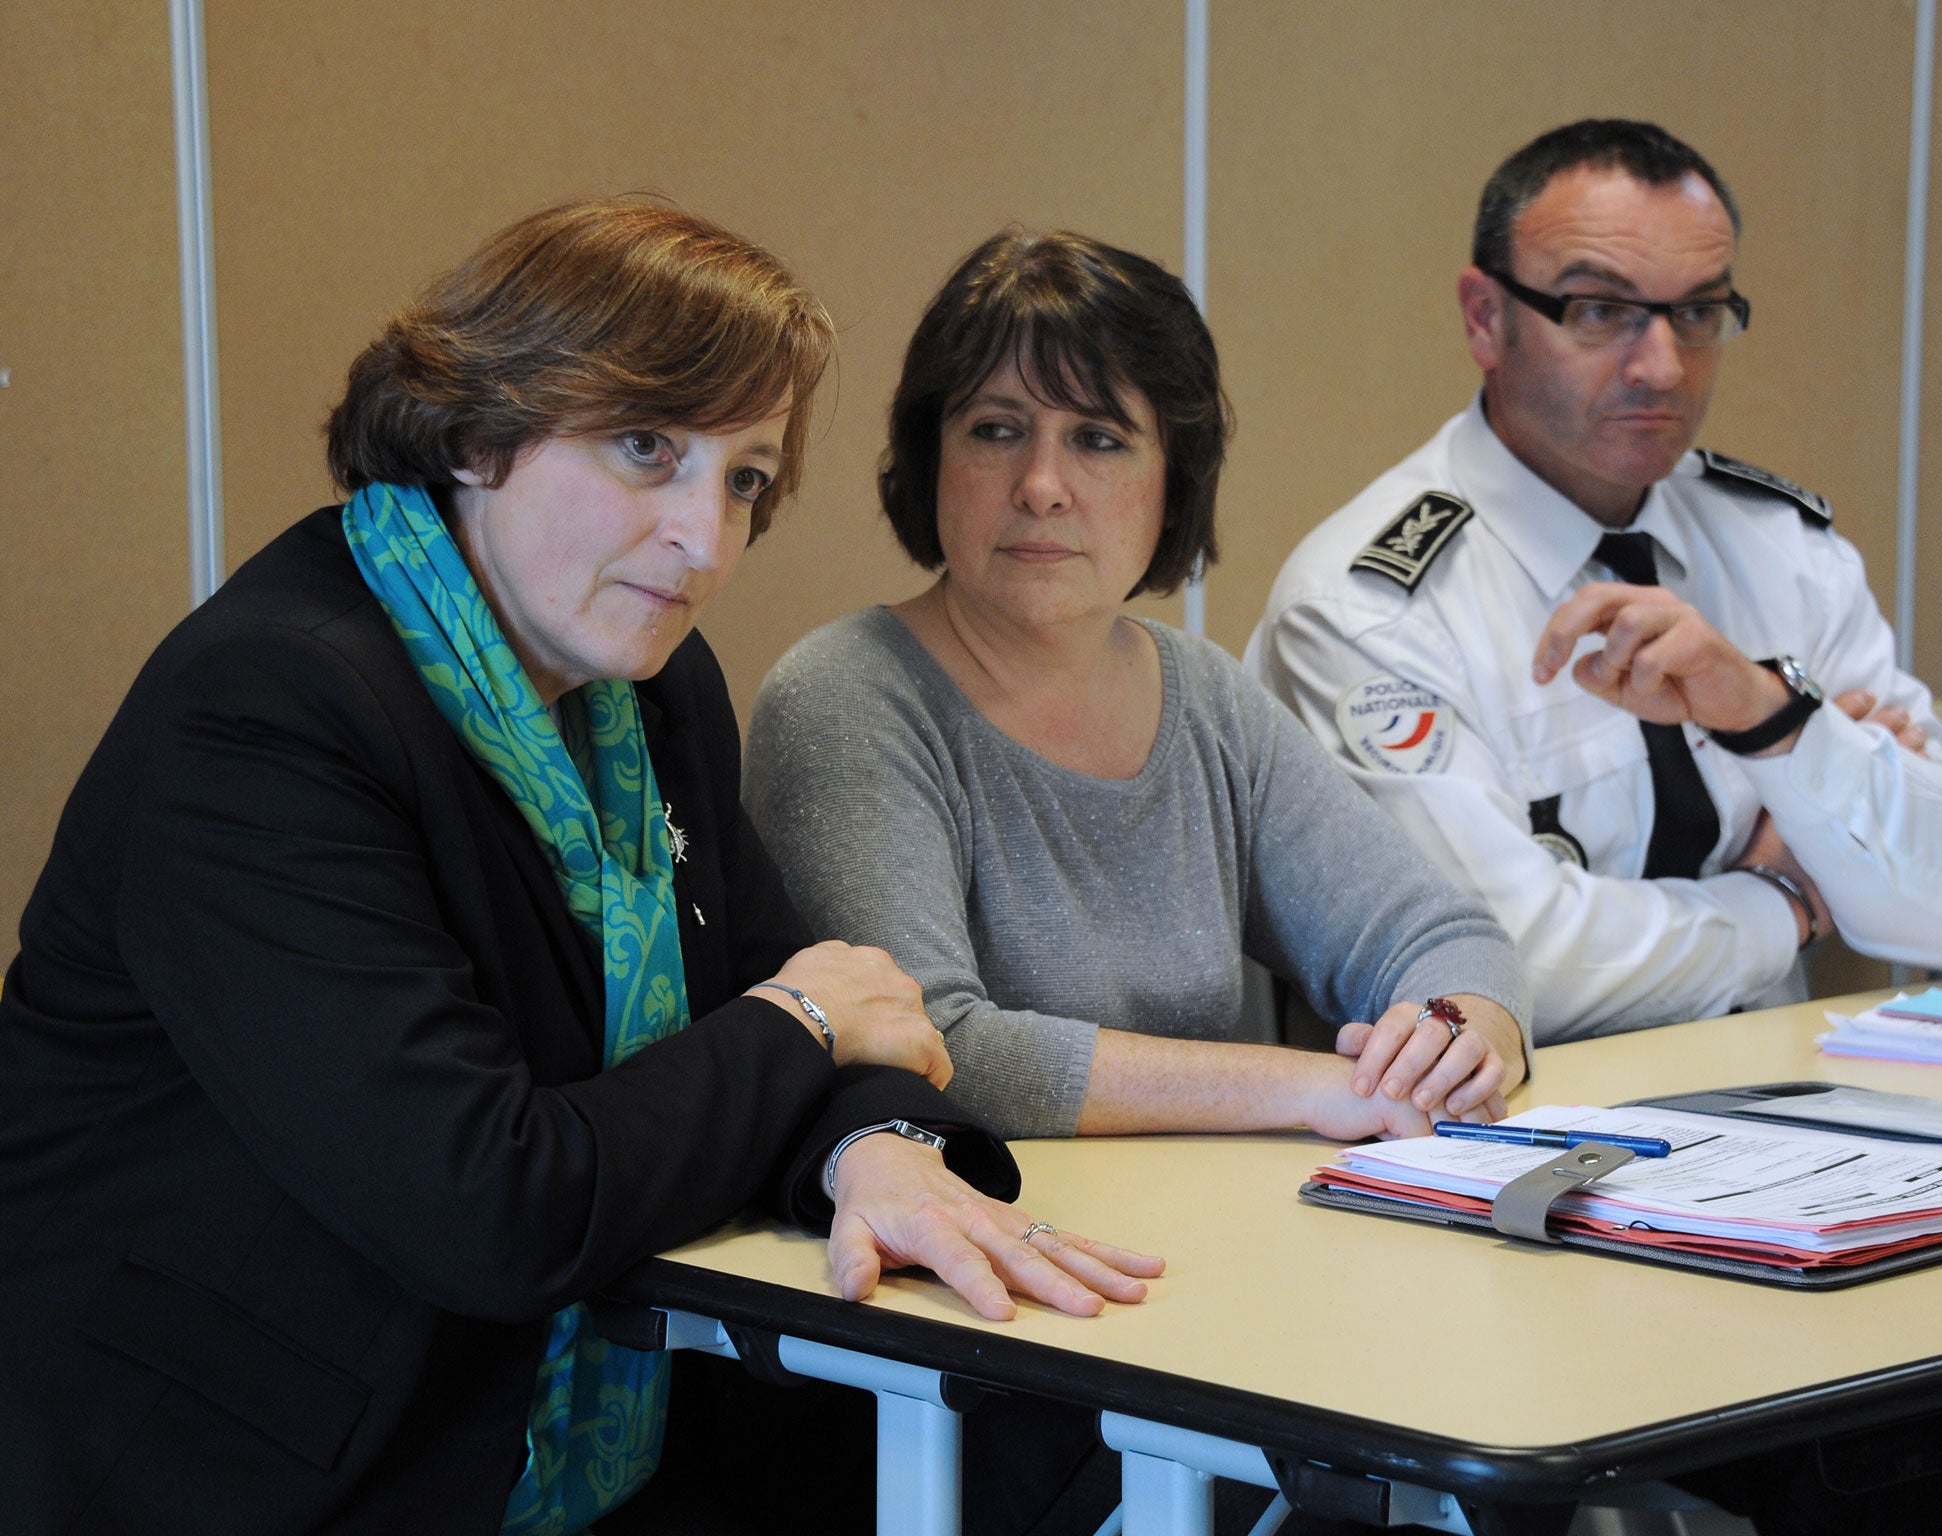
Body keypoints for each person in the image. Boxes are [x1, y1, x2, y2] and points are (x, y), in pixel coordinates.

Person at [0, 198, 1158, 1536]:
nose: (704, 541)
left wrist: (875, 1150)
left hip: (550, 1413)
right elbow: (490, 1202)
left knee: (1068, 1441)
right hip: (253, 1460)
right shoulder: (269, 710)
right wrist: (804, 1027)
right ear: (478, 429)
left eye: (743, 479)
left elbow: (799, 999)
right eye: (646, 449)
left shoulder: (648, 686)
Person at [1249, 119, 1942, 1044]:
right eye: (1599, 310)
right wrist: (1786, 896)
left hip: (1788, 1117)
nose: (1661, 366)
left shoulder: (1780, 550)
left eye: (1698, 312)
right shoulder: (1366, 605)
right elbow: (1501, 968)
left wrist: (1770, 719)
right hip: (1501, 1139)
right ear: (1484, 318)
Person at [744, 228, 1530, 1146]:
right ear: (932, 460)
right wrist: (1315, 1089)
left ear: (1173, 483)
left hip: (1221, 1239)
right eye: (996, 431)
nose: (1042, 486)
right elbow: (932, 1045)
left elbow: (1439, 936)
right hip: (986, 1253)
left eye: (1099, 439)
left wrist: (1464, 1037)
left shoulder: (1203, 692)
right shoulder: (842, 697)